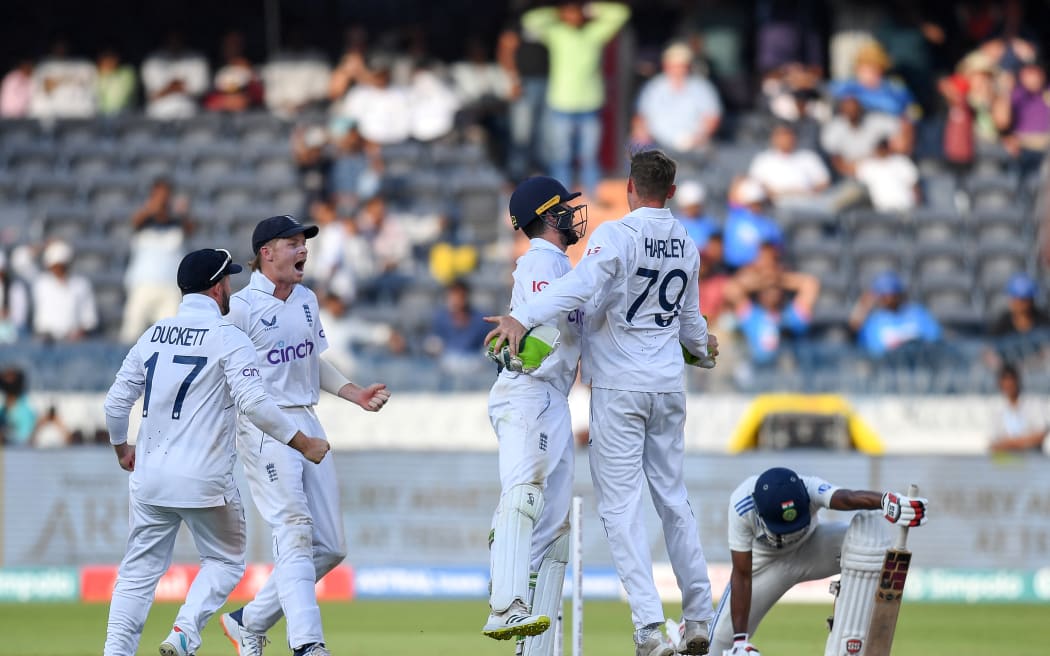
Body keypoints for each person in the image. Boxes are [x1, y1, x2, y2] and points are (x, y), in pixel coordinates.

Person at [484, 149, 718, 656]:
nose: (574, 213)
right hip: (668, 387)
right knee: (674, 500)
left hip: (618, 388)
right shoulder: (686, 243)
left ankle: (650, 628)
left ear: (631, 187)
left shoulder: (615, 235)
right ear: (671, 192)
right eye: (563, 208)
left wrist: (521, 317)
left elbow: (580, 290)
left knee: (619, 508)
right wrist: (703, 350)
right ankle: (699, 617)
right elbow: (692, 326)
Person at [102, 248, 330, 656]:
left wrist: (123, 449)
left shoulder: (153, 334)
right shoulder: (228, 337)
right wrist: (302, 442)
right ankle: (184, 632)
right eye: (228, 280)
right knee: (225, 563)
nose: (231, 287)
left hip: (149, 476)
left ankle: (115, 652)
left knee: (136, 574)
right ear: (218, 286)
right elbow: (256, 405)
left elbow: (115, 404)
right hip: (205, 480)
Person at [220, 215, 391, 656]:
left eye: (304, 243)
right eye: (292, 243)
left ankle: (249, 622)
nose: (303, 250)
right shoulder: (240, 308)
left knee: (331, 546)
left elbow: (311, 361)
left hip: (309, 420)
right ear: (266, 252)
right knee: (294, 531)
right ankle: (308, 644)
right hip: (265, 426)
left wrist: (353, 392)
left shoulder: (307, 299)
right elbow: (224, 376)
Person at [481, 176, 587, 656]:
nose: (572, 214)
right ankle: (505, 603)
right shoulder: (541, 263)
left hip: (553, 398)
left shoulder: (561, 264)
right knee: (523, 496)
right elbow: (543, 331)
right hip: (529, 393)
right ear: (547, 216)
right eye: (564, 208)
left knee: (556, 525)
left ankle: (535, 646)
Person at [710, 467, 928, 655]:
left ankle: (848, 644)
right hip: (764, 566)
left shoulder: (808, 488)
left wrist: (888, 501)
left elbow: (847, 497)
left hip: (811, 549)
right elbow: (742, 575)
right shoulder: (742, 505)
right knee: (718, 646)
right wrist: (740, 640)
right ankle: (689, 636)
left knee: (869, 536)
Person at [522, 1, 630, 199]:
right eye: (569, 12)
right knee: (561, 158)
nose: (573, 16)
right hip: (561, 105)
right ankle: (561, 197)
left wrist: (590, 9)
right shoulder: (557, 33)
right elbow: (530, 21)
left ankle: (592, 197)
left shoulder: (594, 33)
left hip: (590, 105)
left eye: (576, 12)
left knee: (589, 158)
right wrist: (557, 11)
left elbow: (620, 14)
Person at [120, 178, 193, 344]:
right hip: (142, 286)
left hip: (170, 288)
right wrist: (153, 206)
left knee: (171, 338)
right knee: (131, 334)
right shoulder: (143, 220)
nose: (163, 199)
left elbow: (191, 229)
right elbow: (135, 221)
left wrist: (181, 212)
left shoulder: (177, 222)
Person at [632, 42, 722, 153]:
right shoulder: (652, 88)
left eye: (681, 65)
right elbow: (640, 118)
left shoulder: (702, 88)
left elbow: (712, 118)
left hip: (694, 149)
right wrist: (642, 134)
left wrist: (699, 138)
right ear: (666, 66)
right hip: (657, 148)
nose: (678, 69)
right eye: (674, 65)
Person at [849, 271, 941, 358]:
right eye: (884, 295)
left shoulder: (917, 313)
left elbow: (934, 339)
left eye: (892, 294)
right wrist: (863, 305)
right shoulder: (874, 321)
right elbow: (870, 348)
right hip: (888, 369)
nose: (889, 298)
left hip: (919, 366)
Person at [32, 240, 98, 342]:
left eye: (61, 265)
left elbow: (90, 318)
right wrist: (41, 246)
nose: (58, 269)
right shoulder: (41, 283)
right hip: (45, 341)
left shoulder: (81, 284)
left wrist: (81, 331)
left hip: (72, 342)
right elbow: (20, 261)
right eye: (55, 266)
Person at [989, 364, 1048, 454]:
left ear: (1018, 381)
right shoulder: (996, 408)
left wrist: (1010, 444)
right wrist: (1023, 442)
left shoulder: (1034, 404)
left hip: (1032, 461)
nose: (1009, 385)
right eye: (1005, 381)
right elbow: (993, 444)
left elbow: (1040, 436)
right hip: (1005, 462)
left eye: (1011, 380)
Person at [674, 181, 720, 251]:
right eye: (690, 206)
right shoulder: (674, 224)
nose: (693, 209)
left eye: (695, 206)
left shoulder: (709, 225)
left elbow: (715, 250)